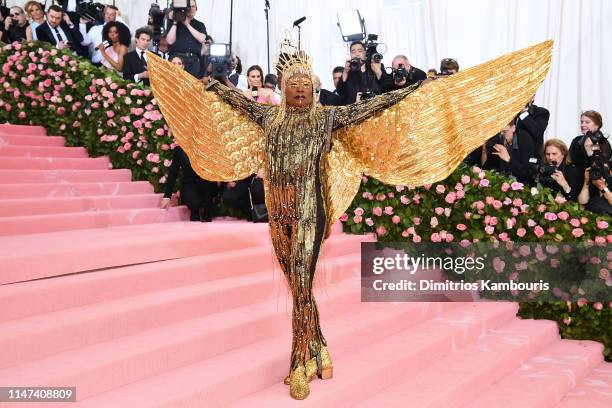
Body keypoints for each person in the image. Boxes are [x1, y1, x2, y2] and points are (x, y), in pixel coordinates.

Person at [149, 39, 552, 400]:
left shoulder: (327, 119)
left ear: (315, 87)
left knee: (302, 286)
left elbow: (371, 106)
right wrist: (214, 85)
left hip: (312, 212)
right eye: (294, 83)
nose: (301, 89)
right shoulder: (268, 119)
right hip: (279, 212)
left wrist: (414, 89)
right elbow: (238, 103)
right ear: (285, 87)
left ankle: (299, 364)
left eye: (308, 83)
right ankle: (320, 346)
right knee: (297, 286)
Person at [161, 146, 218, 221]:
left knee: (206, 211)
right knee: (195, 203)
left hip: (208, 184)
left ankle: (206, 211)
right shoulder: (180, 150)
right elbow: (173, 173)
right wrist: (167, 196)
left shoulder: (209, 147)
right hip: (189, 185)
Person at [166, 0, 207, 78]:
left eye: (193, 6)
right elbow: (170, 41)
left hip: (194, 61)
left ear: (196, 9)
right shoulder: (173, 23)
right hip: (176, 59)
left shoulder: (200, 24)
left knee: (192, 87)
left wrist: (187, 24)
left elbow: (202, 39)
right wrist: (175, 21)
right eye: (189, 7)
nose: (191, 9)